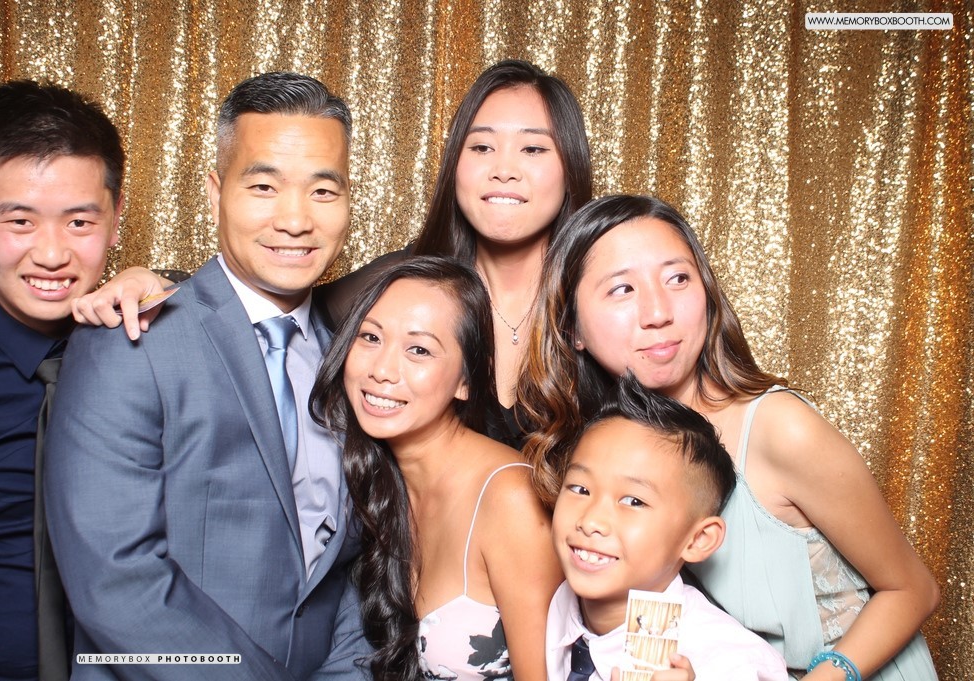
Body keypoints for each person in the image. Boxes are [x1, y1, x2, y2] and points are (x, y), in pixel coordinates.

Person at [518, 194, 940, 680]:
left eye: (678, 279)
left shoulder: (782, 429)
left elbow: (913, 589)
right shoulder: (608, 446)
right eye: (622, 289)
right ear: (572, 328)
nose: (657, 312)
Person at [72, 59, 593, 450]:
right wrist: (157, 283)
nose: (503, 169)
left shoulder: (604, 294)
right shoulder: (403, 284)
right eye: (480, 147)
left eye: (533, 148)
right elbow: (279, 304)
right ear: (454, 164)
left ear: (569, 164)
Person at [43, 72, 369, 680]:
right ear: (216, 191)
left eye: (324, 191)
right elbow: (116, 581)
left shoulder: (355, 356)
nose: (295, 219)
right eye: (264, 186)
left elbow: (352, 563)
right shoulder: (129, 338)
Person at [310, 256, 561, 680]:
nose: (381, 370)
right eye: (370, 337)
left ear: (466, 380)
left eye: (419, 350)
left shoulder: (510, 496)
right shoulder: (372, 480)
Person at [0, 80, 124, 681]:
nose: (51, 254)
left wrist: (173, 285)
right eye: (20, 220)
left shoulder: (158, 346)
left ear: (115, 217)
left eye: (79, 221)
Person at [547, 374, 788, 681]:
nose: (591, 521)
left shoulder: (732, 664)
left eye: (633, 501)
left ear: (698, 539)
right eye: (580, 489)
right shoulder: (551, 600)